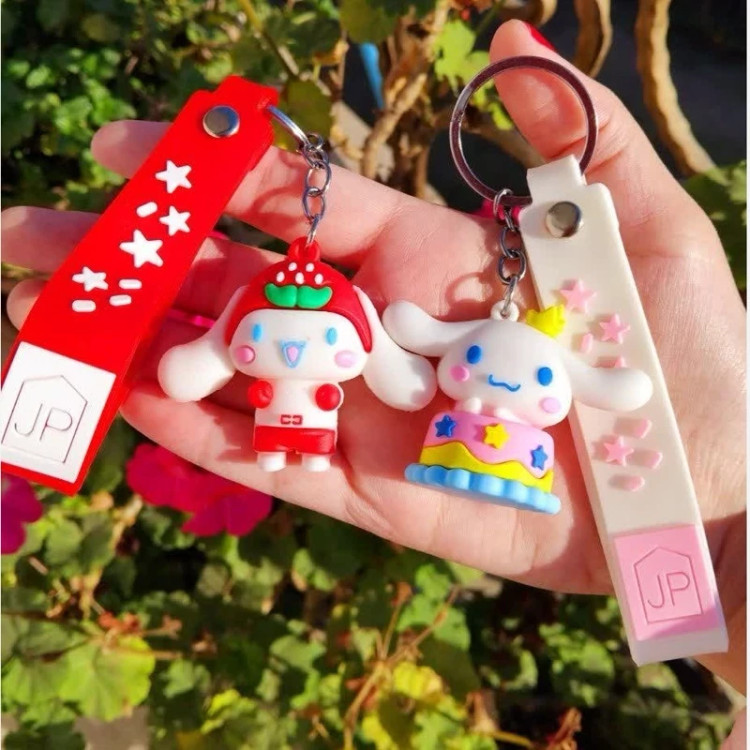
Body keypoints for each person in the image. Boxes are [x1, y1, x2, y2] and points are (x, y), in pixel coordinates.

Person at [3, 18, 745, 738]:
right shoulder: (292, 321)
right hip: (340, 426)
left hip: (497, 461)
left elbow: (420, 351)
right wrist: (724, 565)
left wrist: (724, 552)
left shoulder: (391, 328)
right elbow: (391, 342)